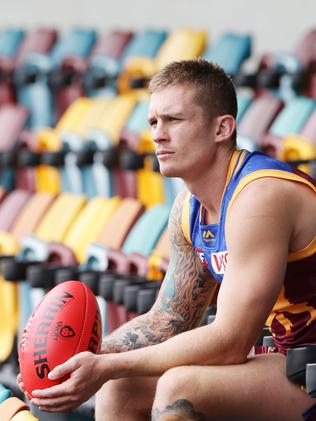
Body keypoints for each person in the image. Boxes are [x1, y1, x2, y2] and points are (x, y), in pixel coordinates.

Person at [18, 59, 316, 421]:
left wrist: (106, 366)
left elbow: (230, 343)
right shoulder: (188, 209)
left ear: (222, 128)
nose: (157, 134)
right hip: (291, 360)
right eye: (153, 122)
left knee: (179, 389)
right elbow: (171, 317)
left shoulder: (259, 196)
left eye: (173, 120)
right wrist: (76, 360)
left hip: (307, 363)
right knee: (121, 387)